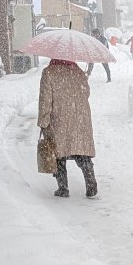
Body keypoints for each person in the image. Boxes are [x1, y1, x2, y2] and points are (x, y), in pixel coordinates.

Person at [37, 59, 97, 198]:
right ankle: (91, 182)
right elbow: (86, 93)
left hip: (59, 118)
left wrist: (43, 121)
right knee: (81, 151)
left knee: (58, 153)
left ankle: (63, 188)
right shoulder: (79, 72)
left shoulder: (49, 72)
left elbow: (45, 100)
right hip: (80, 118)